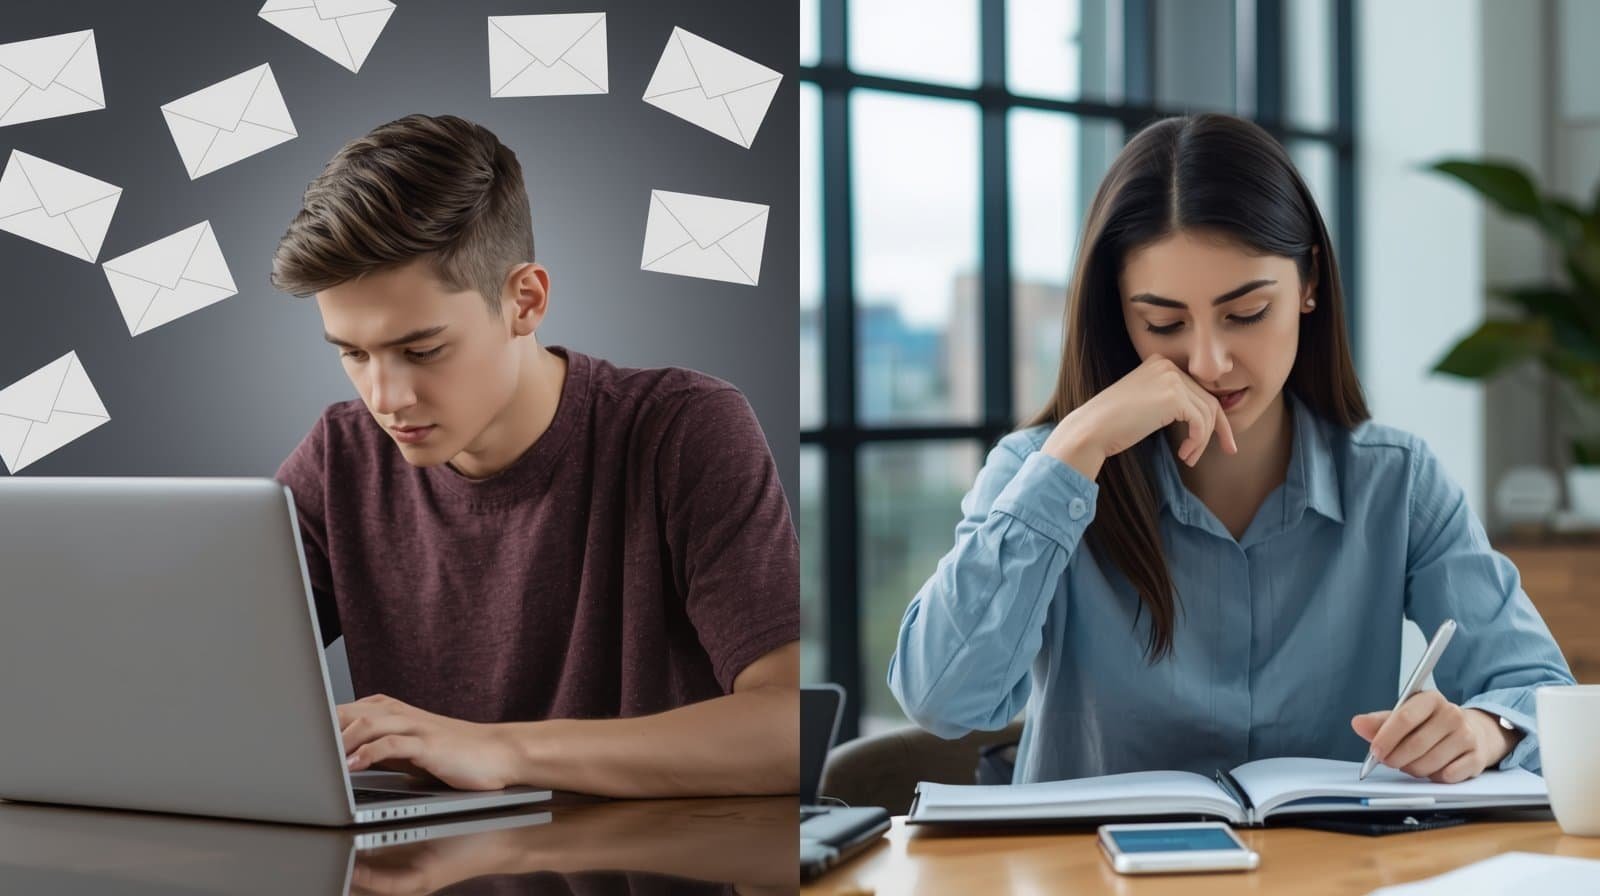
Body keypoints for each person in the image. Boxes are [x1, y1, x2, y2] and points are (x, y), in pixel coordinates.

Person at [888, 113, 1575, 786]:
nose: (1209, 363)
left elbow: (1537, 690)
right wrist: (1079, 442)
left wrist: (1485, 731)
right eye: (1163, 323)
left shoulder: (1396, 481)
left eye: (1246, 314)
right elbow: (941, 700)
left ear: (1308, 284)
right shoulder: (1042, 471)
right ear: (1117, 313)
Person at [270, 113, 798, 797]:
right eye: (353, 353)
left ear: (525, 300)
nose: (386, 396)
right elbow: (200, 669)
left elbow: (787, 727)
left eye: (422, 350)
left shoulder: (684, 429)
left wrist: (500, 752)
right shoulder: (341, 456)